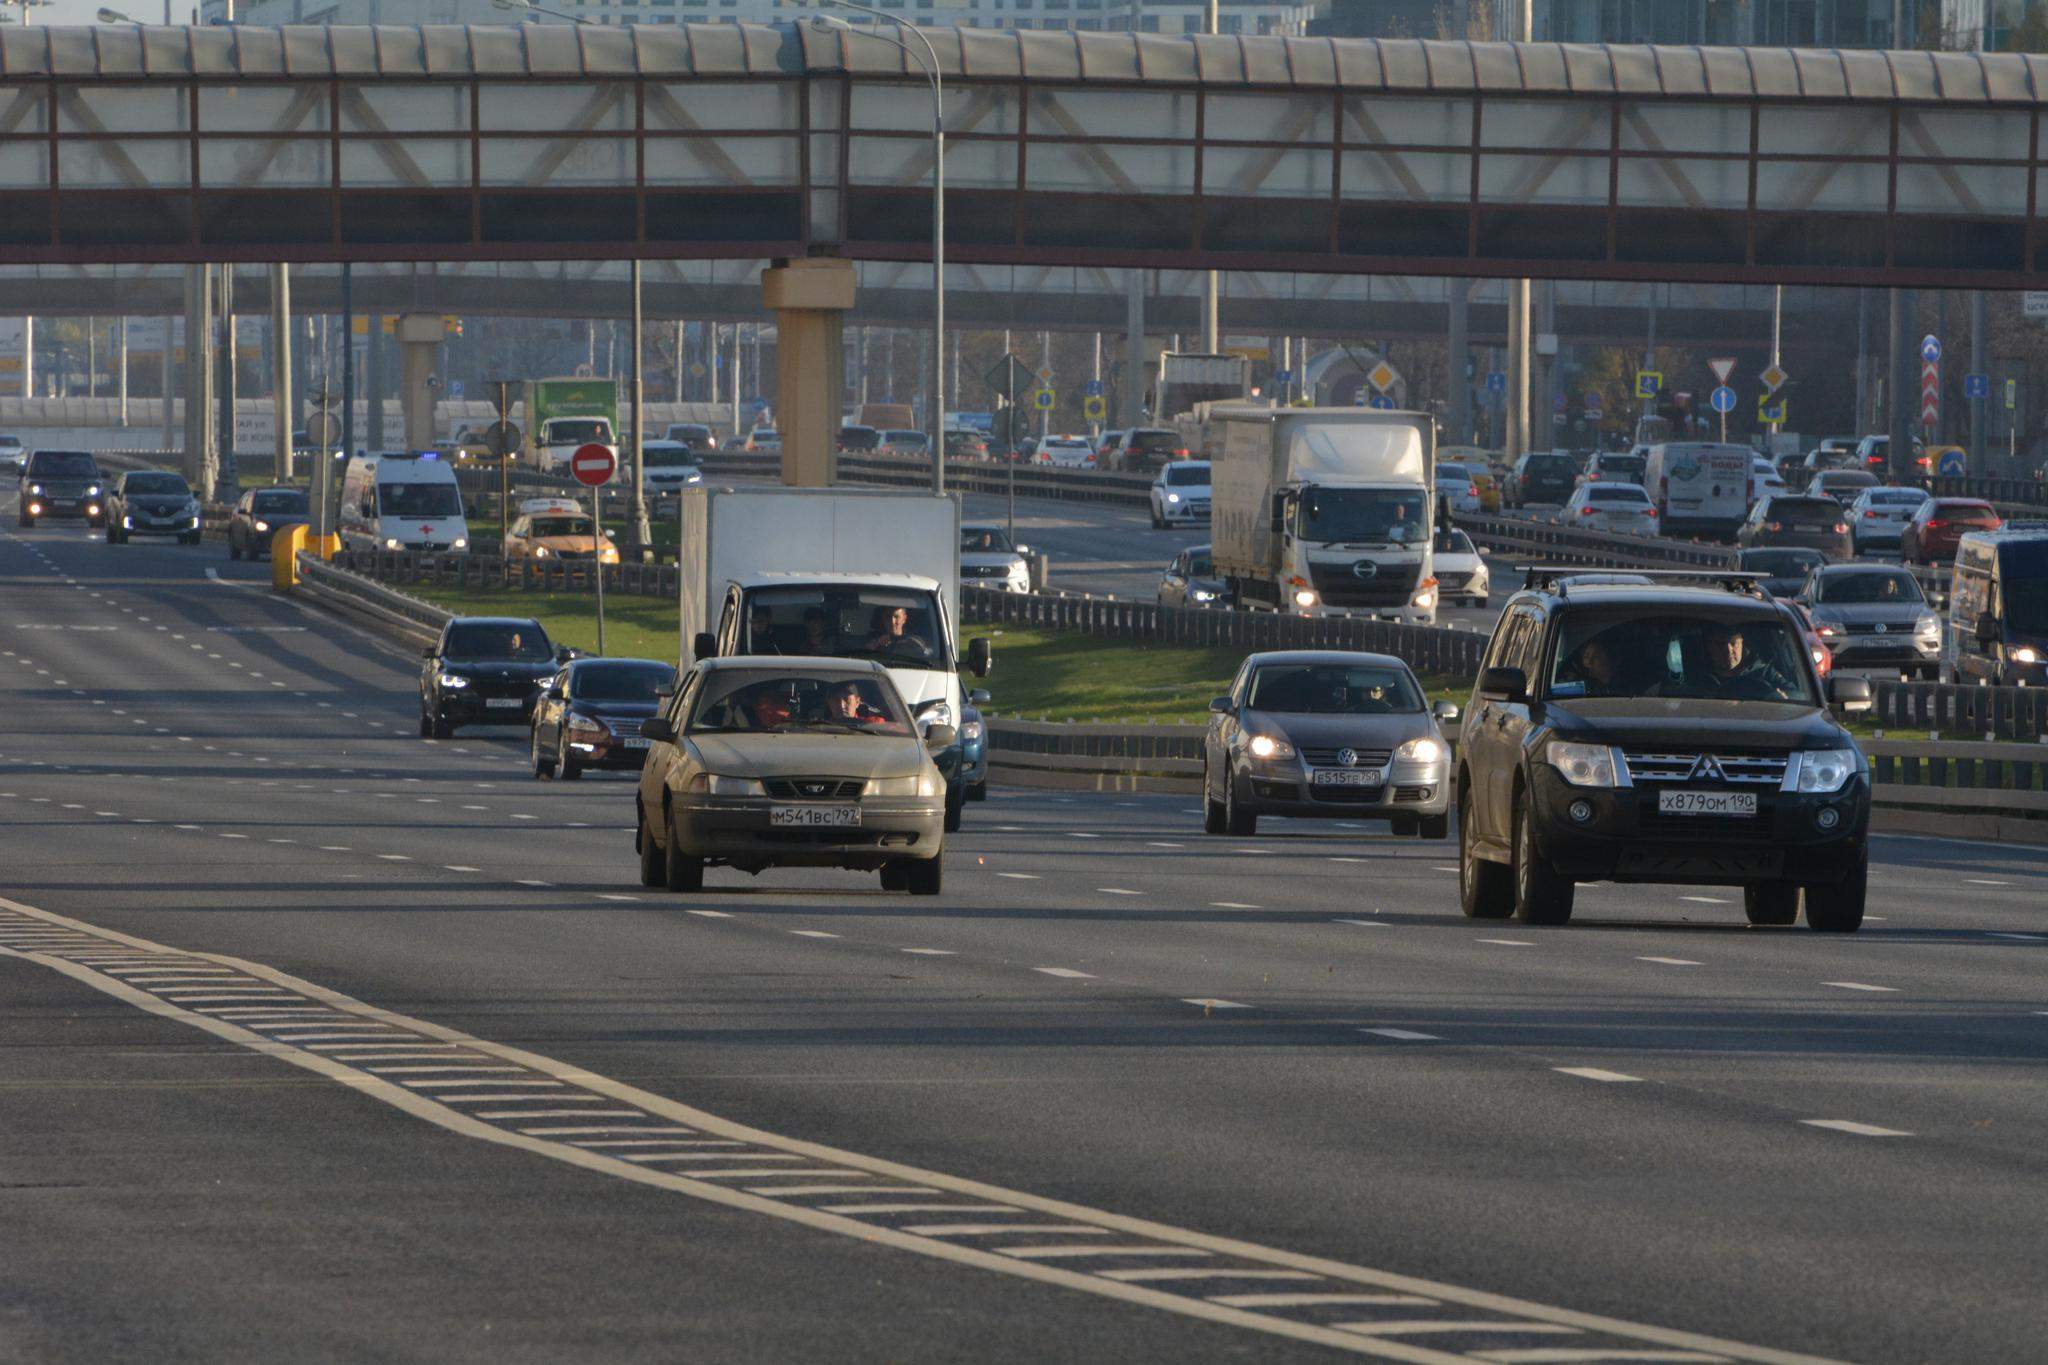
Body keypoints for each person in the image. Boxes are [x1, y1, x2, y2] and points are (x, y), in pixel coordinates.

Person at [1683, 622, 1795, 702]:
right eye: (1720, 644)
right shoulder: (1695, 678)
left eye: (1733, 643)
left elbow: (1794, 697)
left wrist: (1777, 697)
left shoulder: (1765, 674)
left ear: (1742, 644)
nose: (1728, 651)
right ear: (1709, 647)